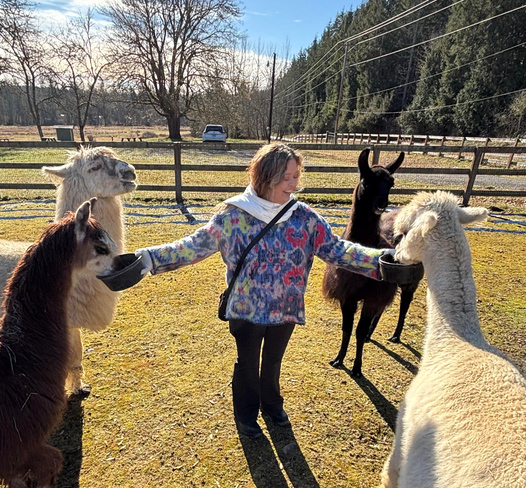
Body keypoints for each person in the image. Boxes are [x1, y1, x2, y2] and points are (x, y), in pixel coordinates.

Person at [134, 143, 392, 438]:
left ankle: (272, 405)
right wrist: (149, 259)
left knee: (272, 361)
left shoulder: (304, 218)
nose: (294, 183)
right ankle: (246, 416)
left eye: (296, 175)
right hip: (246, 310)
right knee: (247, 363)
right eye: (287, 177)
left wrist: (382, 261)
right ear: (266, 177)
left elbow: (337, 250)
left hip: (286, 309)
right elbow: (192, 247)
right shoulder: (233, 217)